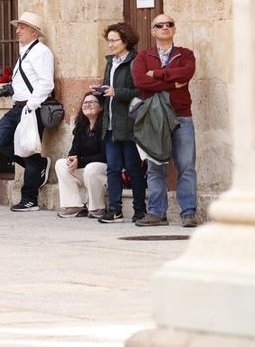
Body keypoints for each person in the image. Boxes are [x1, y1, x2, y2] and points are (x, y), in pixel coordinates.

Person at [132, 14, 198, 228]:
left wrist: (157, 75)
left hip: (181, 115)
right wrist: (171, 81)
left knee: (186, 166)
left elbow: (187, 72)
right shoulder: (143, 56)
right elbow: (140, 81)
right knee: (155, 167)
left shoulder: (185, 54)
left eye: (169, 24)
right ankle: (157, 213)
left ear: (174, 29)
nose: (165, 27)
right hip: (154, 118)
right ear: (152, 31)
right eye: (159, 25)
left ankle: (188, 213)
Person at [0, 11, 55, 212]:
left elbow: (46, 83)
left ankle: (29, 199)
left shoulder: (41, 52)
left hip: (30, 108)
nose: (17, 31)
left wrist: (31, 104)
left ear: (34, 31)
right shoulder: (25, 51)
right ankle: (40, 166)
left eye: (22, 27)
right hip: (18, 107)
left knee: (28, 153)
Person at [91, 22, 144, 224]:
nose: (111, 44)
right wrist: (102, 91)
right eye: (109, 40)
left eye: (114, 40)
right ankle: (115, 210)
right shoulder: (110, 62)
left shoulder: (136, 61)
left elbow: (141, 92)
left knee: (133, 168)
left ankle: (140, 210)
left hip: (129, 124)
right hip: (111, 123)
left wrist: (117, 92)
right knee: (112, 168)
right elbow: (111, 89)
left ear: (126, 41)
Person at [54, 93, 108, 218]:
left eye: (92, 102)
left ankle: (97, 207)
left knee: (91, 168)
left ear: (101, 107)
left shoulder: (105, 127)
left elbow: (105, 156)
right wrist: (72, 158)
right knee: (61, 164)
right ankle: (74, 206)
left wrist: (81, 161)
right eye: (85, 102)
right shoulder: (81, 127)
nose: (87, 104)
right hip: (87, 172)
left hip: (105, 173)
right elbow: (74, 151)